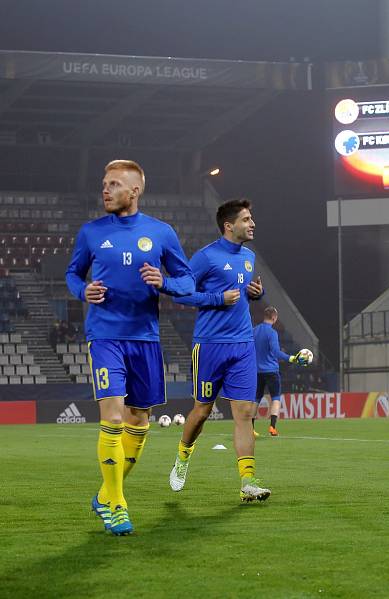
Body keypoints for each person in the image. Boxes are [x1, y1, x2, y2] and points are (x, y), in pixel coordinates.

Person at [66, 159, 194, 535]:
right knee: (114, 418)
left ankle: (106, 494)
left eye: (114, 184)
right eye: (104, 183)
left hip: (146, 338)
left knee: (139, 422)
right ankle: (118, 506)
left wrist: (164, 283)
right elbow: (73, 273)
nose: (105, 190)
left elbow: (187, 281)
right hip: (105, 335)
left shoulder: (161, 232)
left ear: (134, 191)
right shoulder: (91, 232)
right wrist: (82, 291)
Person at [168, 198, 272, 502]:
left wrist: (257, 293)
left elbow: (242, 291)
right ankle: (183, 456)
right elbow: (180, 293)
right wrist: (215, 298)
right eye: (246, 219)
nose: (252, 224)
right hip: (210, 346)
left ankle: (247, 481)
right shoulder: (205, 257)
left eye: (252, 219)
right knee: (202, 412)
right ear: (229, 226)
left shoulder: (250, 257)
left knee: (245, 413)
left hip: (242, 346)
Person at [252, 305, 309, 436]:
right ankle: (272, 427)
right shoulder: (272, 333)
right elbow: (276, 352)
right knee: (276, 398)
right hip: (271, 371)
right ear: (274, 317)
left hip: (257, 371)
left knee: (256, 399)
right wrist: (293, 358)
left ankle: (250, 428)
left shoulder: (254, 331)